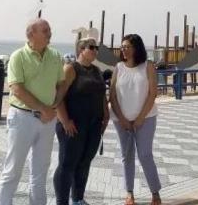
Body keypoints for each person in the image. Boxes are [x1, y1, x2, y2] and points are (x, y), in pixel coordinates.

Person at [0, 18, 66, 205]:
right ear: (31, 34)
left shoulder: (56, 56)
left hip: (48, 121)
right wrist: (43, 109)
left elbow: (61, 85)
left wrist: (53, 107)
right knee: (12, 170)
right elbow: (16, 88)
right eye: (45, 30)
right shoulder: (18, 56)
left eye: (49, 29)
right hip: (22, 119)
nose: (49, 32)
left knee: (40, 172)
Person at [53, 38, 109, 205]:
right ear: (81, 49)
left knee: (84, 163)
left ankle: (78, 198)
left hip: (94, 125)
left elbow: (101, 95)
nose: (95, 51)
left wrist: (105, 116)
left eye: (96, 48)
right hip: (74, 125)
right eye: (91, 47)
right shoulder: (70, 69)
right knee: (67, 164)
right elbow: (58, 97)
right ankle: (62, 201)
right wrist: (65, 121)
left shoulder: (97, 71)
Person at [110, 34, 163, 205]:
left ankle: (155, 193)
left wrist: (140, 118)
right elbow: (112, 95)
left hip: (146, 118)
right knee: (127, 155)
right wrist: (122, 119)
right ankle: (130, 194)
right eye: (122, 46)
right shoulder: (118, 67)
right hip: (121, 120)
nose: (123, 50)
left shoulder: (148, 66)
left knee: (145, 154)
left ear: (136, 48)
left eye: (127, 46)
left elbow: (152, 93)